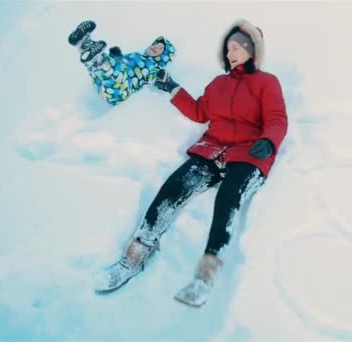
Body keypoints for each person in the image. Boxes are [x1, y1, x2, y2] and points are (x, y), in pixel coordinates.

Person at [94, 18, 288, 308]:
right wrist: (172, 88)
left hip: (249, 153)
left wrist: (269, 141)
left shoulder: (267, 82)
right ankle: (132, 257)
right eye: (228, 48)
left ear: (252, 51)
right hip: (212, 149)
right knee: (173, 188)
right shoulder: (218, 83)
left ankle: (206, 276)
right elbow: (199, 112)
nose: (230, 52)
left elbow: (276, 118)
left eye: (236, 47)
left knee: (227, 199)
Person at [67, 20, 176, 105]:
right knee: (98, 67)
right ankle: (83, 45)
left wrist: (162, 77)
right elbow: (124, 63)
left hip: (119, 91)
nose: (155, 46)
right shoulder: (136, 55)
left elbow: (156, 78)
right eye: (156, 44)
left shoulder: (154, 67)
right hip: (102, 82)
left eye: (161, 48)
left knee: (116, 74)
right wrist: (117, 56)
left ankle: (100, 60)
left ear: (163, 57)